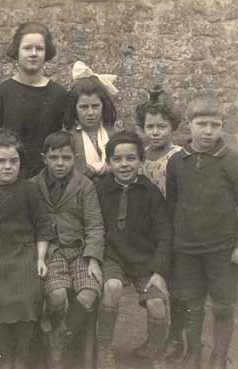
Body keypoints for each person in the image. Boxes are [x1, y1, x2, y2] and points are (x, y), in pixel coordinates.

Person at [166, 96, 238, 369]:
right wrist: (174, 242)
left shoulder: (231, 160)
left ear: (222, 127)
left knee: (222, 304)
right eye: (202, 124)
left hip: (222, 247)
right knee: (191, 303)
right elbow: (172, 203)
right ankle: (193, 352)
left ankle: (219, 356)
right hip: (187, 247)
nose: (208, 131)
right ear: (188, 125)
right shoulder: (177, 161)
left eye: (215, 125)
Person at [0, 130, 54, 369]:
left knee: (28, 294)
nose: (8, 167)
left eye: (14, 161)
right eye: (1, 161)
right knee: (4, 298)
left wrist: (40, 258)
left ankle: (21, 354)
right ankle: (4, 354)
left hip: (24, 253)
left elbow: (42, 224)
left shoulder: (29, 189)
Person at [95, 131, 171, 369]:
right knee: (112, 287)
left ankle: (154, 348)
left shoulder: (151, 193)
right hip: (113, 256)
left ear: (141, 161)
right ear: (108, 163)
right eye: (117, 159)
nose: (124, 164)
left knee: (157, 303)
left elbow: (164, 234)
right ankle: (104, 346)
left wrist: (159, 270)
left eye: (131, 158)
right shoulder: (100, 190)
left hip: (144, 260)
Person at [29, 131, 104, 369]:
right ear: (44, 158)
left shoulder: (85, 185)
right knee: (57, 294)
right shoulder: (33, 186)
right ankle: (52, 325)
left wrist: (93, 258)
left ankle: (61, 335)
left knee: (88, 293)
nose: (60, 163)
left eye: (66, 158)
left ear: (75, 157)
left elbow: (94, 224)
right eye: (54, 158)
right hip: (52, 252)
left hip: (79, 251)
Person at [134, 85, 184, 362]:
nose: (155, 132)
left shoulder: (177, 156)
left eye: (161, 126)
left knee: (175, 285)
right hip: (149, 228)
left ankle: (176, 338)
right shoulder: (141, 155)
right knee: (154, 286)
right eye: (150, 126)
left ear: (172, 127)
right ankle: (154, 337)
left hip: (173, 225)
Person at [0, 22, 67, 178]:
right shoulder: (1, 94)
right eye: (27, 48)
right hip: (12, 176)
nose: (33, 53)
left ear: (46, 53)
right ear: (17, 51)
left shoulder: (60, 95)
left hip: (49, 177)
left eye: (39, 48)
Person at [63, 61, 122, 181]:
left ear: (103, 105)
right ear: (74, 108)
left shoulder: (116, 133)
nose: (90, 113)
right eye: (84, 107)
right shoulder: (67, 137)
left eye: (95, 106)